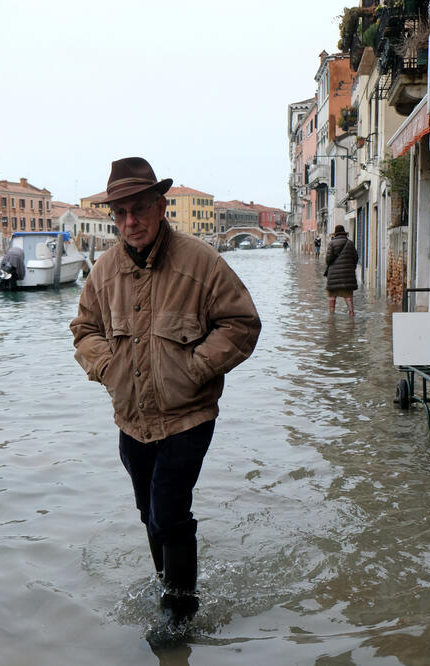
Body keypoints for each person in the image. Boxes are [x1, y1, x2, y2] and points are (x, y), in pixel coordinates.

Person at [70, 157, 261, 624]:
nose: (129, 222)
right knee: (147, 512)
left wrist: (194, 368)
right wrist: (108, 367)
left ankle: (180, 615)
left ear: (161, 208)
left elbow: (241, 324)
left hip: (188, 417)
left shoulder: (202, 263)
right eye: (120, 214)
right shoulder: (104, 270)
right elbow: (84, 329)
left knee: (169, 513)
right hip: (131, 419)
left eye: (138, 210)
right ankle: (168, 589)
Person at [324, 224, 358, 315]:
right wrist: (351, 268)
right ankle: (351, 313)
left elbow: (328, 260)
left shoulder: (331, 243)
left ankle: (331, 316)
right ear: (344, 233)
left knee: (332, 296)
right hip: (347, 275)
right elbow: (356, 258)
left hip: (333, 275)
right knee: (348, 295)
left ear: (335, 234)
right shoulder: (350, 243)